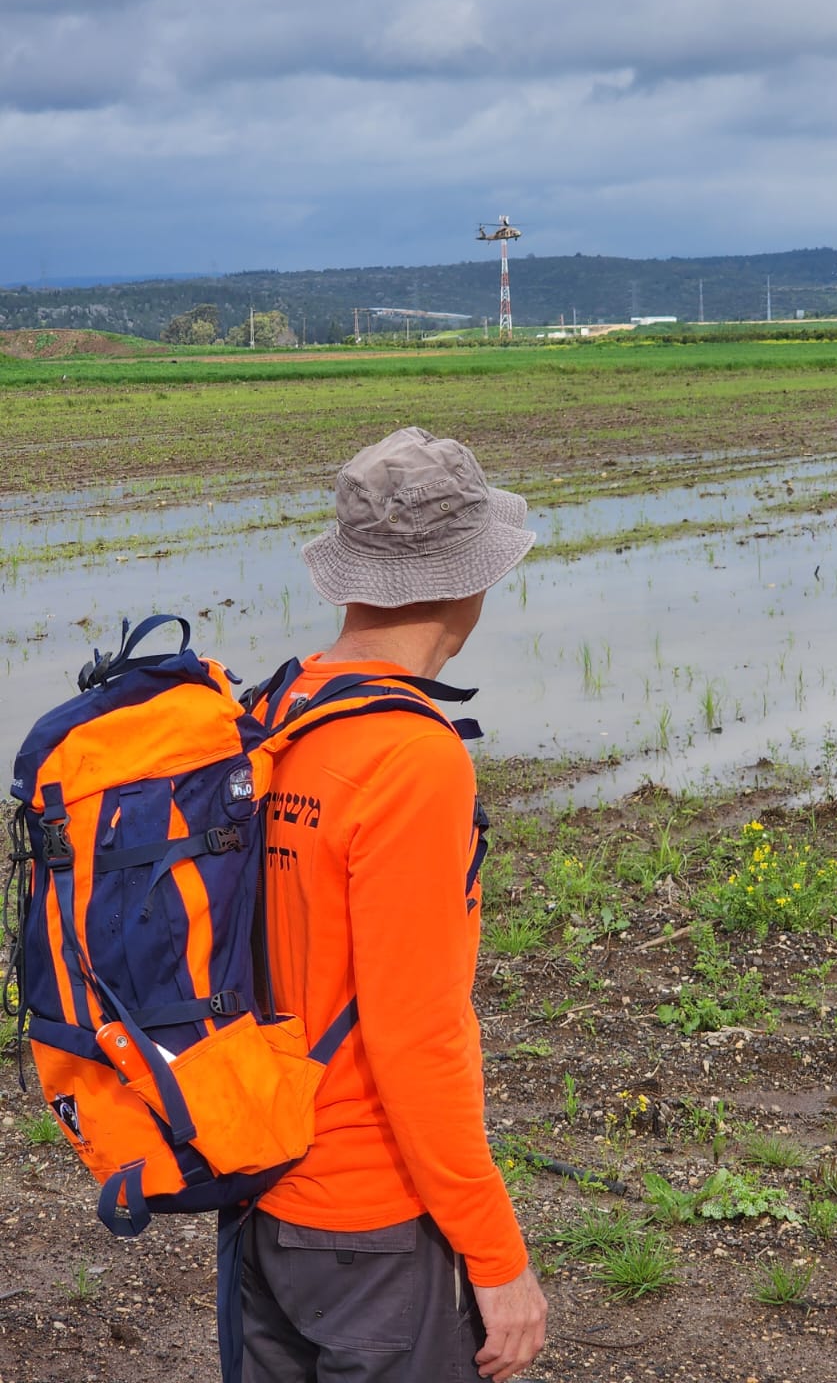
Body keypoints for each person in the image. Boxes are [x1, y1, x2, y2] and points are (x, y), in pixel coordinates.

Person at [241, 426, 547, 1383]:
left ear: (354, 578)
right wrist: (497, 1259)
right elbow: (417, 1034)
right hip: (372, 1220)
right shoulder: (412, 758)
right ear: (470, 580)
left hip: (259, 1192)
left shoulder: (276, 711)